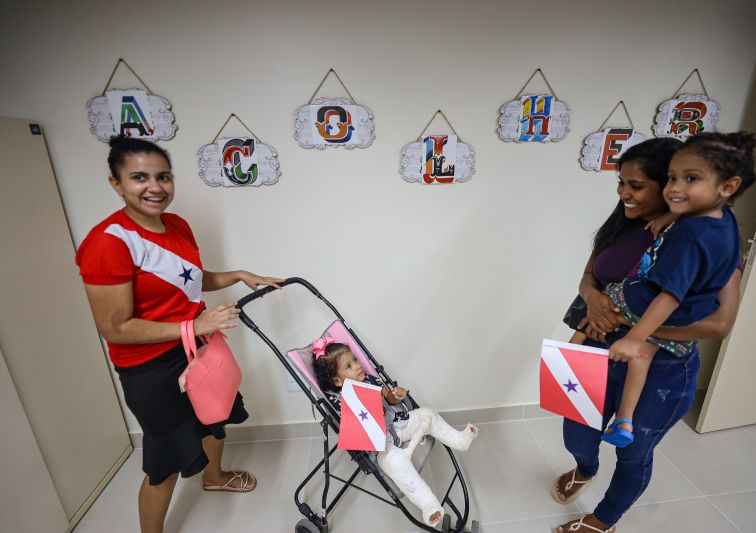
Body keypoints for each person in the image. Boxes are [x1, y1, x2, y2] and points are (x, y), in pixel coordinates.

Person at [75, 136, 284, 533]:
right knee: (164, 463)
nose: (155, 186)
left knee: (215, 417)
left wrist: (239, 274)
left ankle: (214, 477)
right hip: (150, 367)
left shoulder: (177, 225)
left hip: (196, 347)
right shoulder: (108, 243)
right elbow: (114, 327)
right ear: (116, 184)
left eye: (163, 176)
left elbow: (189, 281)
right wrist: (193, 325)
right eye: (139, 177)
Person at [552, 136, 746, 533]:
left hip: (660, 367)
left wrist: (634, 330)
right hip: (596, 349)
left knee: (634, 452)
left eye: (636, 186)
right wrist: (593, 301)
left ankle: (603, 520)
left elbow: (719, 324)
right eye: (621, 184)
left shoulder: (704, 240)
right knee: (577, 432)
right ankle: (585, 468)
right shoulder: (622, 224)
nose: (624, 193)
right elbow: (590, 277)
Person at [599, 131, 756, 448]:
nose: (675, 188)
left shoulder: (689, 238)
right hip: (689, 315)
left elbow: (668, 295)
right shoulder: (722, 219)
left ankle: (578, 348)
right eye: (672, 178)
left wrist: (633, 335)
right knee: (643, 357)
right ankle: (625, 420)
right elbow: (709, 210)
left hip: (650, 305)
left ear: (728, 186)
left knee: (608, 313)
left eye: (691, 178)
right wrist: (673, 213)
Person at [311, 337, 478, 527]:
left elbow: (388, 398)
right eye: (349, 365)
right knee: (396, 462)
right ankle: (428, 504)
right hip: (381, 445)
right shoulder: (340, 400)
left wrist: (394, 395)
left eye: (355, 360)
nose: (357, 366)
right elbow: (350, 426)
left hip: (397, 424)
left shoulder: (369, 379)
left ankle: (458, 439)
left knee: (427, 414)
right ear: (337, 380)